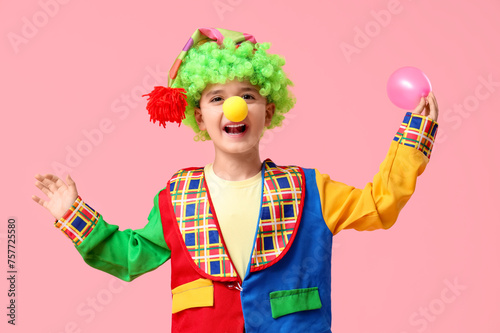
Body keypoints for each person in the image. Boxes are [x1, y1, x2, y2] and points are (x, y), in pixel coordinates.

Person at [32, 27, 439, 333]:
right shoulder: (176, 198)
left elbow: (379, 204)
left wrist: (412, 140)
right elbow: (129, 256)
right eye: (217, 98)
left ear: (269, 108)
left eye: (248, 95)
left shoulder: (312, 190)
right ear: (199, 116)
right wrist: (73, 214)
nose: (235, 107)